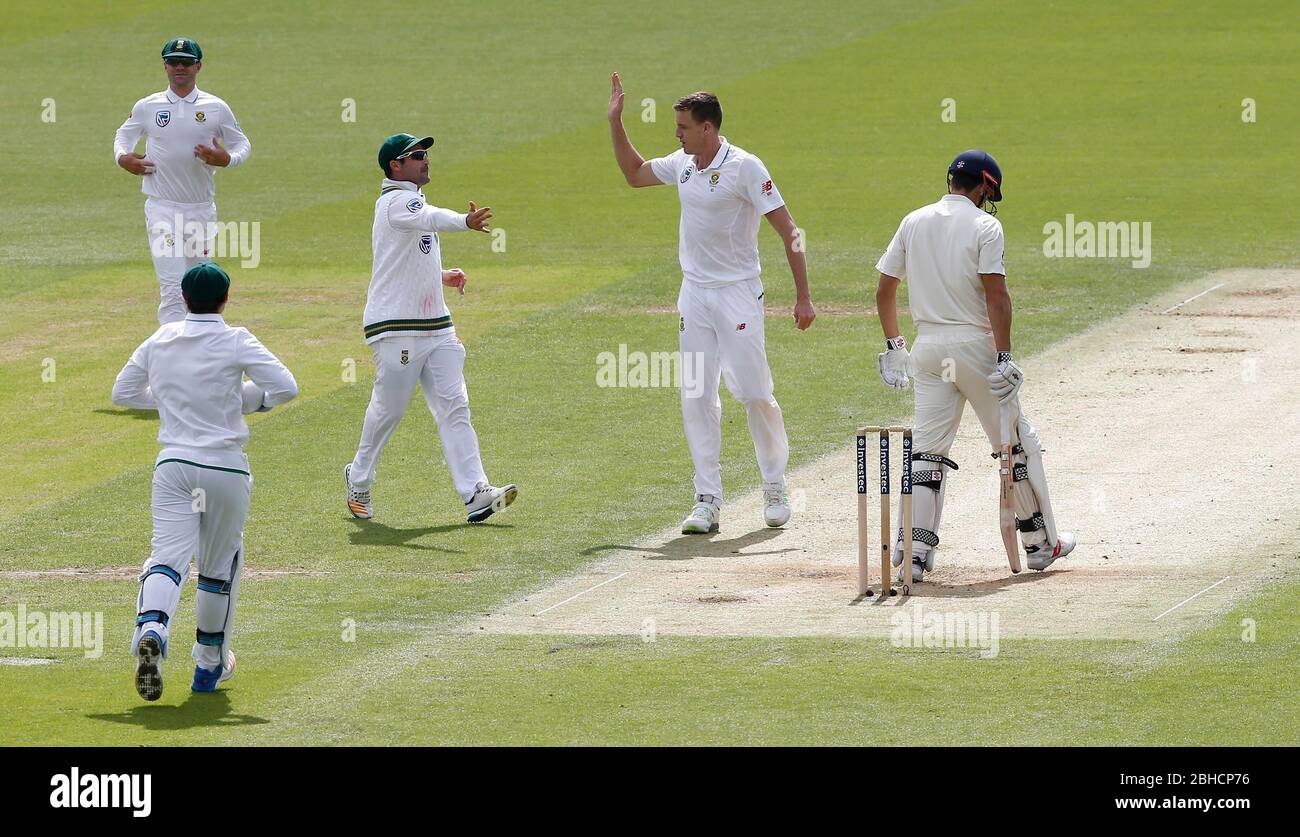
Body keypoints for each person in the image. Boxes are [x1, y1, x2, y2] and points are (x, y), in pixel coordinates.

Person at [607, 73, 816, 535]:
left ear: (708, 128)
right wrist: (615, 122)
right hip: (695, 295)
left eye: (682, 127)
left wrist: (803, 296)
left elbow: (790, 231)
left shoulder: (745, 167)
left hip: (739, 292)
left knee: (754, 392)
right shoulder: (684, 164)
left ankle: (774, 483)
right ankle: (707, 499)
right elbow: (635, 174)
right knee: (697, 395)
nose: (676, 134)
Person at [874, 149, 1076, 583]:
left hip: (928, 352)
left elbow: (885, 288)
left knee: (927, 452)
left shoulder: (914, 220)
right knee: (1016, 445)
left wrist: (894, 346)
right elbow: (996, 295)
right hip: (975, 350)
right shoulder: (986, 225)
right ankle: (1041, 545)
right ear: (985, 186)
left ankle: (913, 553)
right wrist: (1004, 355)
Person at [112, 262, 297, 700]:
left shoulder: (160, 339)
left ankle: (153, 627)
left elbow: (122, 393)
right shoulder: (237, 339)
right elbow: (285, 387)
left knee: (166, 559)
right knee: (217, 571)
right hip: (225, 468)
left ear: (183, 299)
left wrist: (176, 403)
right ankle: (208, 667)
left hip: (174, 465)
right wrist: (243, 401)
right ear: (226, 300)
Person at [343, 133, 517, 524]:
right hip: (397, 326)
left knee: (455, 406)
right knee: (390, 410)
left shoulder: (406, 203)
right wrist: (466, 221)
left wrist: (440, 276)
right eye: (417, 156)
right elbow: (432, 216)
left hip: (436, 327)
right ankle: (358, 478)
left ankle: (475, 493)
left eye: (425, 154)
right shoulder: (397, 201)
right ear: (395, 166)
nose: (426, 160)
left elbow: (399, 259)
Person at [113, 38, 252, 324]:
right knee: (173, 288)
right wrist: (123, 158)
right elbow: (123, 136)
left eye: (186, 62)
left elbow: (242, 145)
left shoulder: (215, 107)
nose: (180, 67)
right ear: (164, 65)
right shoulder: (148, 106)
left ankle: (200, 348)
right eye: (173, 62)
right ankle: (170, 353)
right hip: (162, 208)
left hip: (200, 210)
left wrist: (226, 159)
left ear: (198, 66)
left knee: (202, 287)